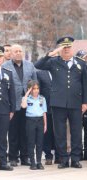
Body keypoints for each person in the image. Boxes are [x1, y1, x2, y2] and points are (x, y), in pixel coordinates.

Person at [35, 36, 87, 169]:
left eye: (68, 47)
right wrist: (51, 54)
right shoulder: (53, 62)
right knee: (59, 132)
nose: (66, 50)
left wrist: (85, 102)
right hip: (58, 103)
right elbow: (38, 65)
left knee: (76, 132)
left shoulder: (81, 63)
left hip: (76, 103)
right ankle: (63, 159)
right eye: (63, 48)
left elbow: (85, 84)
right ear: (60, 49)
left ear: (72, 48)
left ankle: (75, 158)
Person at [3, 44, 37, 166]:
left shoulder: (30, 65)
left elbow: (35, 82)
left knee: (26, 132)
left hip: (27, 104)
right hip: (12, 104)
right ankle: (13, 157)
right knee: (13, 132)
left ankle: (25, 157)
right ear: (11, 53)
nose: (18, 53)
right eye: (16, 51)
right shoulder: (5, 66)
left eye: (20, 51)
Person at [21, 80, 47, 170]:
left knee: (39, 142)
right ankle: (32, 162)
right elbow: (23, 106)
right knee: (31, 142)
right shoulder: (26, 99)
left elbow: (44, 112)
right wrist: (27, 93)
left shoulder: (42, 98)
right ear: (30, 89)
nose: (36, 90)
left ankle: (39, 162)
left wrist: (45, 125)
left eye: (37, 88)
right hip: (30, 121)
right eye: (34, 89)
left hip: (40, 121)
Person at [37, 70, 59, 165]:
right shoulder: (40, 73)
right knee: (47, 132)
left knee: (59, 132)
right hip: (47, 107)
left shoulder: (61, 70)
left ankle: (59, 156)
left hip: (60, 107)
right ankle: (48, 156)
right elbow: (39, 92)